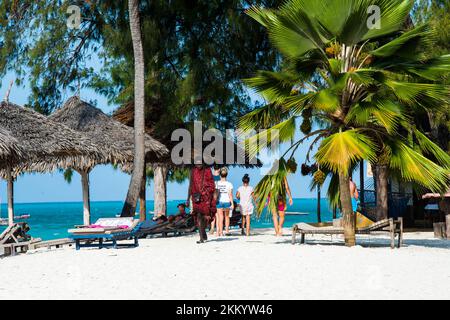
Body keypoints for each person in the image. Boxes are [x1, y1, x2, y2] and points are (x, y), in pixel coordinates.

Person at [187, 161, 216, 244]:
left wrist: (206, 192)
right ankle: (201, 238)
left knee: (204, 217)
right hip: (196, 198)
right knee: (198, 216)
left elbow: (212, 184)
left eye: (200, 163)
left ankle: (203, 232)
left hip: (206, 198)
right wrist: (188, 198)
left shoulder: (207, 170)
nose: (198, 165)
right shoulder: (193, 171)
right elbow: (190, 185)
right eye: (197, 163)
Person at [216, 167, 233, 236]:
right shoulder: (229, 184)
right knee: (227, 217)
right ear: (227, 175)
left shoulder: (217, 183)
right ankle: (227, 231)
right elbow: (230, 195)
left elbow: (216, 194)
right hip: (227, 202)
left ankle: (220, 232)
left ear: (220, 175)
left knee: (220, 217)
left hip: (219, 202)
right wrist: (232, 203)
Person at [210, 164, 221, 235]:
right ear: (219, 169)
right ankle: (217, 228)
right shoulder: (220, 178)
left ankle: (212, 228)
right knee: (217, 214)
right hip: (219, 196)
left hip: (212, 195)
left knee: (213, 213)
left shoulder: (211, 177)